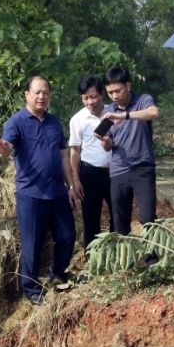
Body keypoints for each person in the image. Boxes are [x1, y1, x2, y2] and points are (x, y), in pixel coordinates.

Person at [0, 76, 79, 306]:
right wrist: (3, 149)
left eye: (46, 92)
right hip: (31, 194)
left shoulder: (54, 122)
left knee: (67, 235)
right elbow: (7, 146)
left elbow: (62, 155)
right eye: (37, 92)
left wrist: (70, 186)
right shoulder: (16, 122)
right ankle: (30, 288)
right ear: (26, 95)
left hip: (58, 192)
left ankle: (57, 275)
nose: (42, 96)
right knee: (32, 244)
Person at [94, 67, 160, 250]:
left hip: (142, 168)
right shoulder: (108, 111)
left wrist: (124, 116)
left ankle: (151, 257)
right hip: (118, 171)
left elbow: (154, 113)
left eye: (118, 90)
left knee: (148, 218)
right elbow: (108, 145)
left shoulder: (142, 100)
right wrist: (105, 140)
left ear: (128, 85)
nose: (114, 96)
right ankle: (125, 260)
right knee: (120, 221)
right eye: (110, 92)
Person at [68, 75, 114, 248]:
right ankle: (93, 257)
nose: (90, 102)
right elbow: (75, 150)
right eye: (85, 98)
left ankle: (116, 252)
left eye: (93, 96)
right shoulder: (77, 120)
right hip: (90, 173)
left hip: (115, 172)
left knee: (118, 214)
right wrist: (76, 180)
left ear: (102, 94)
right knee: (91, 217)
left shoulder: (113, 112)